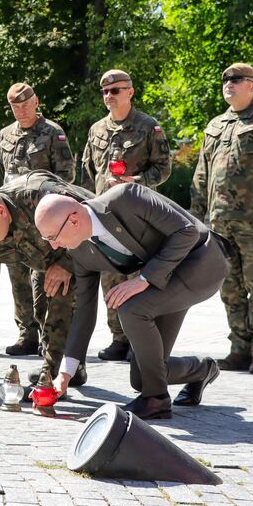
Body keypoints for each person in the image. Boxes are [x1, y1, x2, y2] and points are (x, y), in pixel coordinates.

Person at [34, 187, 228, 420]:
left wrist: (143, 280)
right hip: (166, 278)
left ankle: (156, 401)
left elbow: (186, 232)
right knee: (144, 375)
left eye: (53, 237)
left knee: (132, 309)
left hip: (202, 261)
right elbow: (83, 309)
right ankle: (203, 370)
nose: (54, 246)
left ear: (73, 220)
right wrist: (65, 374)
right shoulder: (80, 252)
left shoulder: (125, 198)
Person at [191, 63, 253, 375]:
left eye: (236, 80)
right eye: (225, 79)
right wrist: (195, 219)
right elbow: (201, 175)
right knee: (229, 287)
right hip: (220, 224)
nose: (228, 84)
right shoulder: (216, 125)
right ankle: (238, 348)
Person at [0, 171, 93, 386]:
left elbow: (93, 218)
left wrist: (66, 263)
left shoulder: (38, 195)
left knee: (60, 297)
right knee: (40, 308)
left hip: (84, 249)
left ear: (1, 211)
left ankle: (52, 375)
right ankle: (71, 366)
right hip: (43, 261)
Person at [80, 69, 172, 363]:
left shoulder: (148, 127)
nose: (109, 96)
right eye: (105, 92)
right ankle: (118, 338)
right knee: (111, 276)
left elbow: (163, 169)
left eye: (116, 90)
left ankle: (139, 339)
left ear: (130, 92)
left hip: (138, 218)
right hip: (103, 218)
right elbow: (87, 174)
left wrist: (138, 182)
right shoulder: (97, 130)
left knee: (138, 277)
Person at [0, 82, 76, 357]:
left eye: (25, 105)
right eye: (15, 107)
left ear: (36, 102)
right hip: (12, 221)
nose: (21, 111)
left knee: (42, 282)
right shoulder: (4, 135)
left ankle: (49, 336)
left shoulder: (53, 133)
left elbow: (66, 177)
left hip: (43, 221)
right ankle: (26, 333)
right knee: (17, 279)